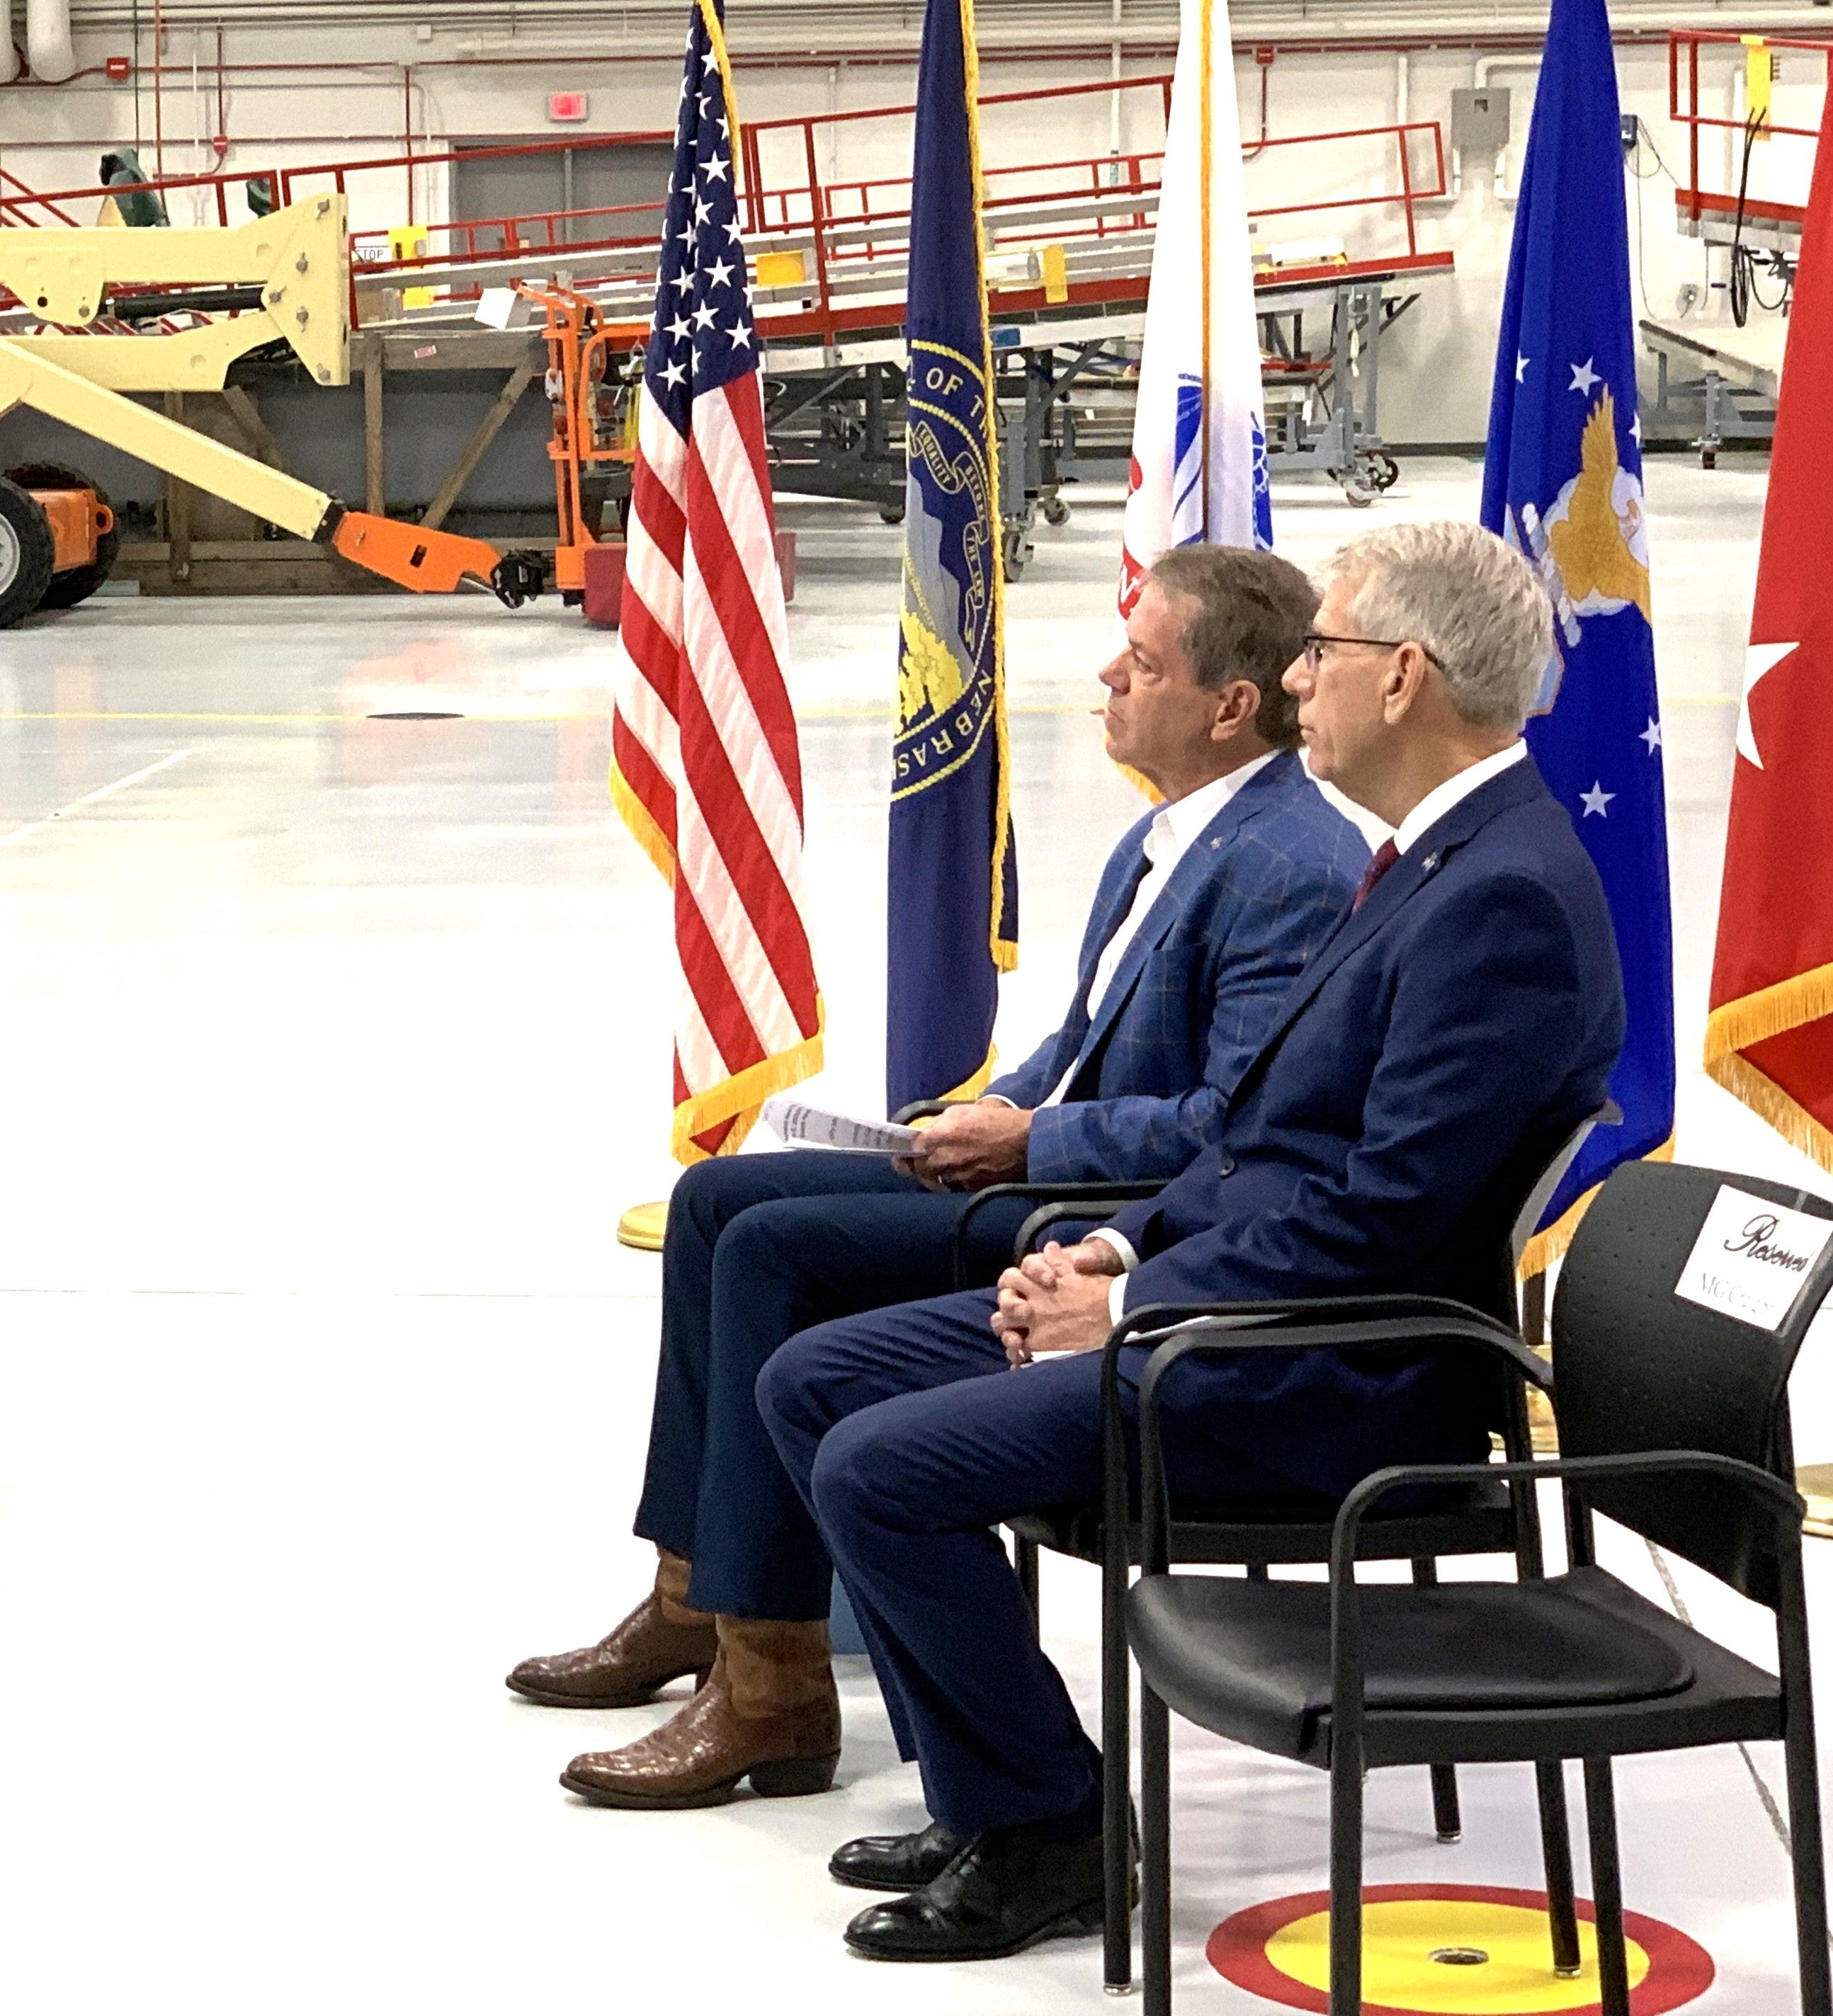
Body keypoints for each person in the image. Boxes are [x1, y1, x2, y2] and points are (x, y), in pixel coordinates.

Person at [758, 519, 1622, 1962]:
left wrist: (1142, 1302)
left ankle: (1055, 1824)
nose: (1298, 685)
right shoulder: (1427, 859)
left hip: (1329, 1371)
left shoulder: (1500, 899)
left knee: (875, 1463)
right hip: (1234, 1302)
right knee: (814, 1383)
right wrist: (1107, 1255)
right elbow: (1263, 1144)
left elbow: (1385, 1220)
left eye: (1323, 653)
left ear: (1403, 676)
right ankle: (999, 1788)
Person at [510, 545, 1372, 1810]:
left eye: (1141, 662)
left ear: (1231, 704)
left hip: (1098, 1218)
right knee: (714, 1202)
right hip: (1040, 1165)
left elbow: (1226, 1130)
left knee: (771, 1248)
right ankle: (697, 1596)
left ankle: (772, 1686)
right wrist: (1003, 1103)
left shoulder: (1287, 865)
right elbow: (1082, 1044)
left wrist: (1032, 1145)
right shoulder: (1171, 835)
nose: (1107, 677)